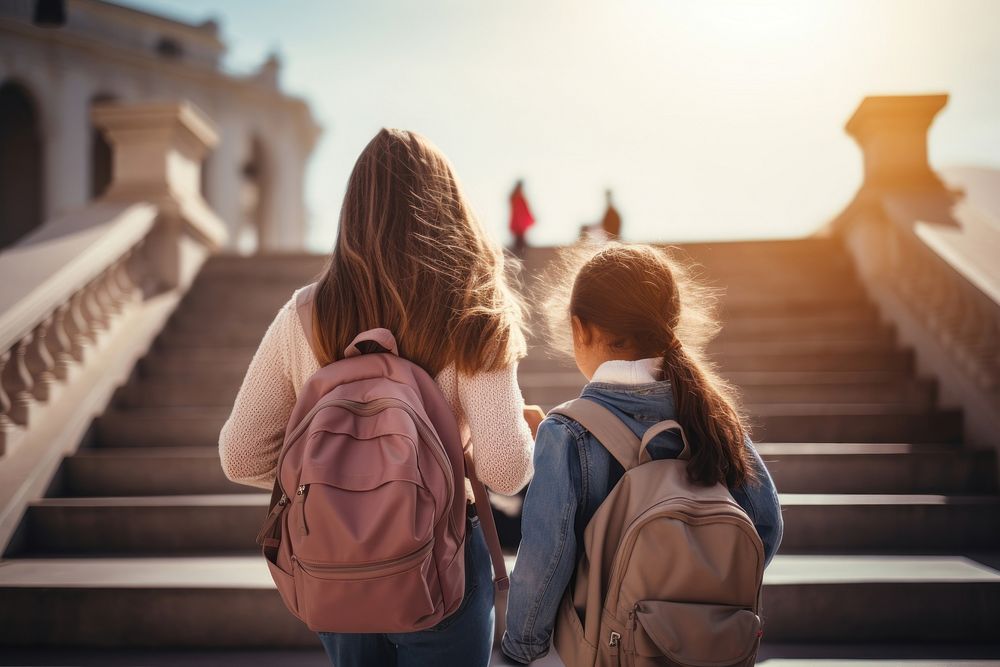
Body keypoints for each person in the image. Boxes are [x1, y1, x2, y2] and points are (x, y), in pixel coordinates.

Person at [219, 128, 544, 667]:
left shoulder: (304, 314)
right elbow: (507, 471)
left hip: (334, 562)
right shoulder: (476, 308)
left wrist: (332, 479)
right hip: (440, 564)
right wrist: (525, 434)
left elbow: (240, 455)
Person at [501, 242, 783, 664]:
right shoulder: (710, 415)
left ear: (580, 330)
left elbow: (545, 559)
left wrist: (521, 647)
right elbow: (765, 523)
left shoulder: (567, 433)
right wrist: (694, 601)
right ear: (670, 324)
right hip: (704, 648)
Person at [509, 179, 535, 255]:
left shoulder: (516, 197)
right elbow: (521, 212)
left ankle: (520, 254)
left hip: (519, 224)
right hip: (518, 224)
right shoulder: (517, 198)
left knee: (519, 242)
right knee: (519, 242)